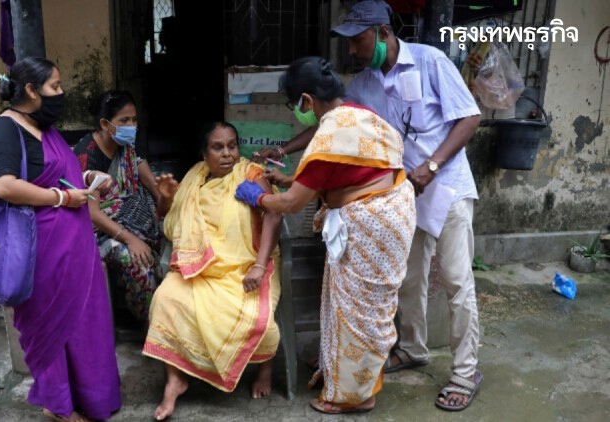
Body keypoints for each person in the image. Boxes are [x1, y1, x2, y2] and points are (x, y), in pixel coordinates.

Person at [258, 0, 484, 412]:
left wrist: (432, 167)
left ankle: (465, 371)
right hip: (403, 192)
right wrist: (285, 148)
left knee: (455, 279)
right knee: (410, 280)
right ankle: (413, 350)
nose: (352, 52)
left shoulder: (431, 62)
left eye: (357, 41)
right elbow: (330, 126)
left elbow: (469, 117)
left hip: (445, 185)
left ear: (382, 32)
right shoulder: (363, 84)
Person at [236, 56, 416, 415]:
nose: (297, 113)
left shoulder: (332, 134)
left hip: (372, 225)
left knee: (358, 313)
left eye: (294, 106)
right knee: (356, 307)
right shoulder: (358, 115)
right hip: (394, 210)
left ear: (306, 100)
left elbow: (289, 204)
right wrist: (294, 181)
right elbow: (348, 171)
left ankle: (353, 395)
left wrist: (257, 195)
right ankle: (341, 374)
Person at [0, 57, 121, 421]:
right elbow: (5, 184)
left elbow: (54, 173)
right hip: (40, 250)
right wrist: (62, 198)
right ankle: (58, 408)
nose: (61, 93)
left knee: (83, 326)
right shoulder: (4, 130)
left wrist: (88, 175)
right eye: (55, 86)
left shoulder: (43, 126)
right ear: (30, 90)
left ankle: (88, 398)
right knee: (52, 327)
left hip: (76, 248)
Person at [142, 122, 282, 420]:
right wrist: (165, 197)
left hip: (245, 265)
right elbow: (172, 220)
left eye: (232, 145)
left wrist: (259, 266)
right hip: (200, 269)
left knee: (257, 318)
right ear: (204, 153)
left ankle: (265, 369)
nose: (228, 153)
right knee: (165, 299)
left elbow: (274, 213)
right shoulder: (194, 178)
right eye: (218, 147)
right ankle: (176, 379)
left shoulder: (251, 174)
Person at [74, 90, 178, 322]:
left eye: (134, 120)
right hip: (100, 232)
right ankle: (152, 325)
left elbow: (156, 193)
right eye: (124, 121)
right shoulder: (87, 155)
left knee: (180, 236)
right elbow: (93, 215)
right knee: (136, 261)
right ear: (105, 123)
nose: (131, 126)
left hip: (138, 222)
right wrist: (131, 239)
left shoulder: (129, 146)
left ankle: (179, 313)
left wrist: (167, 196)